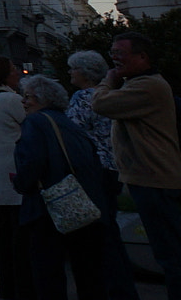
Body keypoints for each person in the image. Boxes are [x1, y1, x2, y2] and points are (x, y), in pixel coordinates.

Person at [93, 31, 181, 299]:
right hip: (150, 178)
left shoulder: (147, 86)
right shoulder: (140, 83)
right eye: (113, 54)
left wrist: (107, 81)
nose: (115, 59)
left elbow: (100, 103)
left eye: (121, 53)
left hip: (156, 179)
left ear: (142, 57)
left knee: (170, 254)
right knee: (168, 251)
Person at [12, 73, 115, 300]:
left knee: (48, 272)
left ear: (42, 99)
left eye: (28, 96)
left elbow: (31, 163)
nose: (24, 101)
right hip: (84, 206)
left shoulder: (35, 123)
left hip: (50, 208)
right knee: (88, 273)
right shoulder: (69, 123)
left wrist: (19, 183)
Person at [67, 49, 142, 300]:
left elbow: (73, 133)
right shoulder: (111, 94)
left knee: (99, 233)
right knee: (110, 229)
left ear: (84, 73)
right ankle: (123, 285)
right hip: (114, 166)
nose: (70, 72)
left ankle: (112, 286)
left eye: (73, 68)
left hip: (93, 169)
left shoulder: (81, 98)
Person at [0, 56, 36, 300]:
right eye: (14, 70)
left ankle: (8, 288)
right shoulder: (10, 99)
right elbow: (32, 125)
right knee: (19, 237)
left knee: (3, 237)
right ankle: (23, 288)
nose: (19, 74)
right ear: (4, 74)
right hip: (11, 171)